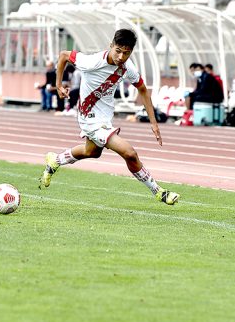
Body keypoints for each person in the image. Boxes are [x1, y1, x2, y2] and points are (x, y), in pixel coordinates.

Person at [38, 29, 179, 205]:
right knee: (130, 153)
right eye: (118, 51)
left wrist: (154, 123)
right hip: (89, 116)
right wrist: (58, 85)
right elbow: (64, 55)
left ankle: (55, 160)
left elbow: (142, 89)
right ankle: (159, 192)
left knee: (92, 152)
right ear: (111, 46)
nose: (121, 56)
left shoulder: (127, 67)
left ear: (131, 52)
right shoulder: (92, 62)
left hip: (105, 118)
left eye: (126, 53)